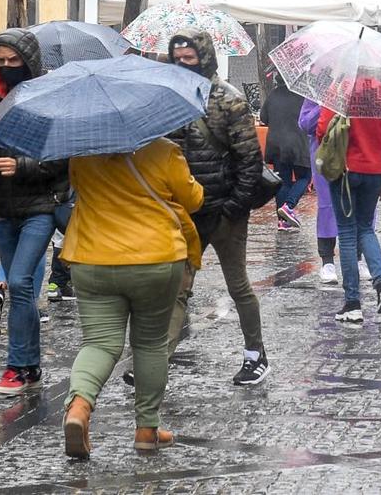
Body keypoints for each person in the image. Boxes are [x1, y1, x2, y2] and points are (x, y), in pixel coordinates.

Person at [60, 134, 203, 461]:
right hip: (155, 257)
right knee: (150, 342)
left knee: (98, 343)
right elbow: (193, 200)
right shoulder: (165, 151)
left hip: (92, 256)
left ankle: (79, 407)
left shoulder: (83, 151)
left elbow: (77, 188)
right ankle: (146, 431)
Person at [0, 29, 69, 397]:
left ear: (30, 63)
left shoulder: (50, 99)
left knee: (22, 281)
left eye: (15, 61)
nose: (8, 68)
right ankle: (31, 364)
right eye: (2, 62)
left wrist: (22, 166)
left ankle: (14, 366)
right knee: (17, 287)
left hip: (40, 206)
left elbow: (61, 157)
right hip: (3, 207)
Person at [164, 32, 268, 387]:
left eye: (189, 58)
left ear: (204, 57)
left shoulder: (229, 100)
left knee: (238, 285)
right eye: (177, 57)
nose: (182, 63)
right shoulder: (171, 97)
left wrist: (234, 206)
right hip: (185, 210)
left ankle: (256, 355)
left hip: (225, 210)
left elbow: (250, 161)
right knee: (178, 287)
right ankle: (159, 360)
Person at [314, 77, 381, 323]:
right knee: (366, 229)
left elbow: (322, 129)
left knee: (348, 234)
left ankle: (353, 303)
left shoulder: (339, 89)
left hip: (345, 172)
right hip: (376, 171)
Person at [261, 63, 313, 231]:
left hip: (276, 145)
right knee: (304, 177)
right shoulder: (303, 96)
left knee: (283, 182)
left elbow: (264, 118)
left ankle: (282, 221)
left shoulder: (273, 95)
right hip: (298, 144)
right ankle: (288, 207)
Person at [300, 97, 344, 285]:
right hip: (325, 156)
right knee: (327, 207)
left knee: (360, 209)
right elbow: (304, 123)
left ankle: (359, 258)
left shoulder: (365, 87)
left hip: (356, 155)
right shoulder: (317, 92)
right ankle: (327, 261)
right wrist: (327, 105)